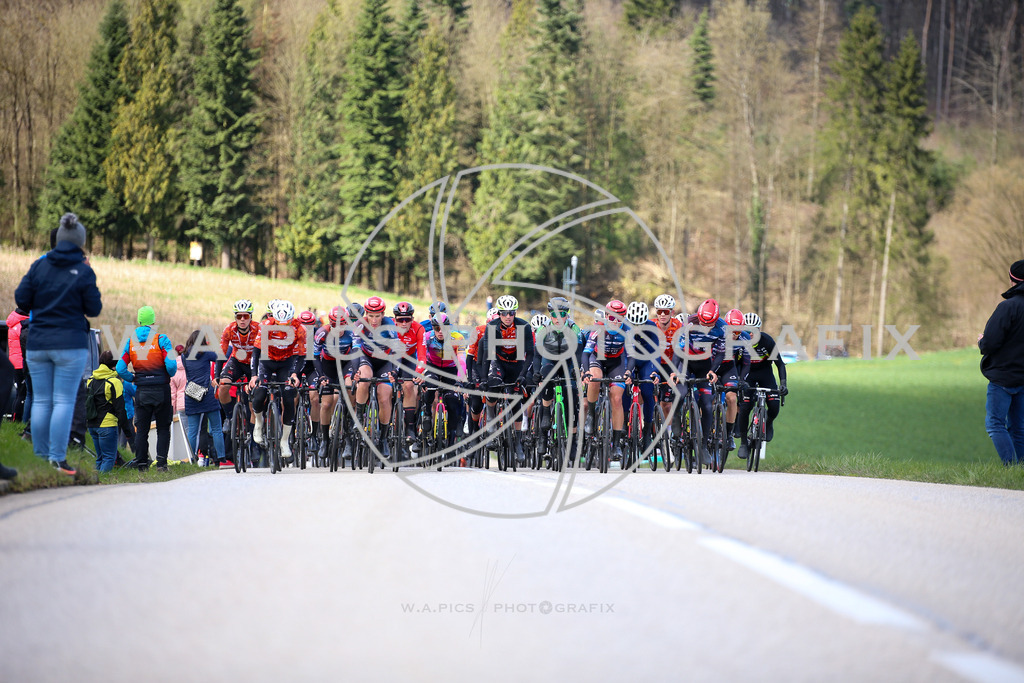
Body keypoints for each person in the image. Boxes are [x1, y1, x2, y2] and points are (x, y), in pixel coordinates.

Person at [14, 213, 102, 475]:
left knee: (41, 400)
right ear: (80, 242)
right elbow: (94, 308)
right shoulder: (84, 271)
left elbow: (21, 299)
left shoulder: (39, 266)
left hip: (39, 341)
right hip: (70, 344)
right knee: (63, 400)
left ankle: (38, 458)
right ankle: (57, 459)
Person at [116, 305, 176, 471]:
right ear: (153, 321)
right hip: (161, 389)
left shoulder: (130, 342)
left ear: (139, 320)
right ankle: (162, 464)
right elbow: (171, 365)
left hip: (141, 390)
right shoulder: (162, 339)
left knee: (141, 430)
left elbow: (120, 368)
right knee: (163, 428)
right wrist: (166, 375)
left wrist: (133, 377)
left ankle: (142, 464)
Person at [979, 259, 1024, 466]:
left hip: (1003, 377)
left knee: (995, 424)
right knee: (1019, 428)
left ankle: (1011, 468)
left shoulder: (1008, 307)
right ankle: (1020, 472)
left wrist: (981, 341)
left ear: (1012, 279)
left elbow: (990, 342)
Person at [182, 330, 228, 467]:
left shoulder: (184, 355)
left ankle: (191, 457)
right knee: (216, 428)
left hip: (192, 395)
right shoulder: (206, 354)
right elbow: (221, 358)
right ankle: (220, 457)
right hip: (208, 393)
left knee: (193, 430)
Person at [86, 351, 132, 473]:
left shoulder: (90, 380)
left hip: (92, 425)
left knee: (100, 458)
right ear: (114, 365)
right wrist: (128, 432)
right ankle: (103, 483)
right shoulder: (114, 382)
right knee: (109, 458)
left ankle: (95, 483)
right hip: (107, 425)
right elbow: (121, 410)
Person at [6, 307, 29, 421]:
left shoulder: (13, 323)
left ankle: (15, 419)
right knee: (22, 393)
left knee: (19, 393)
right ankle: (18, 419)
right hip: (21, 362)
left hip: (14, 362)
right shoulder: (22, 325)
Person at [169, 344, 186, 414]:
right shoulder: (191, 365)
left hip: (181, 404)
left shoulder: (173, 371)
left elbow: (173, 394)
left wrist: (172, 412)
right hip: (194, 401)